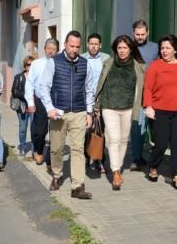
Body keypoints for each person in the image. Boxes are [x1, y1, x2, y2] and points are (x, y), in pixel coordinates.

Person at [39, 31, 95, 199]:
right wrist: (49, 108)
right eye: (72, 46)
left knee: (78, 149)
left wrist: (90, 112)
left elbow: (90, 89)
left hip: (79, 112)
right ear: (65, 44)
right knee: (56, 148)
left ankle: (77, 186)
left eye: (78, 47)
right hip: (59, 112)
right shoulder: (53, 62)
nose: (74, 50)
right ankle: (57, 175)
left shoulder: (85, 64)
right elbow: (43, 87)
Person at [143, 34, 177, 191]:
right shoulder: (155, 66)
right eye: (162, 48)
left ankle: (176, 175)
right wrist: (148, 106)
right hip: (160, 111)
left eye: (167, 48)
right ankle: (154, 166)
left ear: (175, 49)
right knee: (160, 143)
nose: (164, 51)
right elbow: (148, 88)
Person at [94, 36, 145, 191]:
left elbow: (141, 89)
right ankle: (116, 171)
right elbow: (100, 84)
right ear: (115, 49)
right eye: (119, 48)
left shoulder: (138, 66)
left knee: (123, 140)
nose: (122, 51)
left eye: (125, 47)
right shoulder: (108, 63)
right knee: (114, 139)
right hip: (109, 107)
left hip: (128, 108)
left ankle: (119, 166)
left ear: (130, 49)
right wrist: (97, 107)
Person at [130, 20, 159, 171]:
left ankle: (156, 158)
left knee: (156, 129)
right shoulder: (128, 47)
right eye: (137, 34)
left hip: (154, 94)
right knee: (138, 128)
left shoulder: (156, 48)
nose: (140, 37)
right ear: (133, 33)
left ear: (147, 33)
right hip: (136, 94)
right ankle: (136, 158)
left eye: (143, 34)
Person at [25, 38, 59, 165]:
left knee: (56, 132)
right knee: (39, 131)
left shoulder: (59, 63)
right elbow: (29, 83)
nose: (50, 51)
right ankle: (38, 150)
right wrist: (30, 102)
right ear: (44, 49)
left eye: (53, 49)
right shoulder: (36, 64)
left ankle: (51, 157)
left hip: (56, 101)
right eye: (48, 48)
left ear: (57, 50)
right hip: (40, 101)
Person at [81, 32, 110, 175]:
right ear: (87, 45)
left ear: (100, 45)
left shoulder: (106, 59)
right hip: (85, 100)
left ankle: (99, 161)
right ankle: (86, 157)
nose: (93, 46)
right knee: (86, 131)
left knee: (99, 132)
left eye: (96, 44)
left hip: (100, 101)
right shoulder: (81, 58)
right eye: (91, 44)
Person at [11, 55, 34, 156]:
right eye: (28, 64)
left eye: (32, 65)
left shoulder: (37, 76)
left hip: (34, 106)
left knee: (34, 129)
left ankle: (35, 149)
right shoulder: (19, 77)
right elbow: (14, 91)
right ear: (25, 66)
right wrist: (26, 97)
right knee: (23, 128)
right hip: (23, 106)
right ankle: (23, 146)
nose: (30, 66)